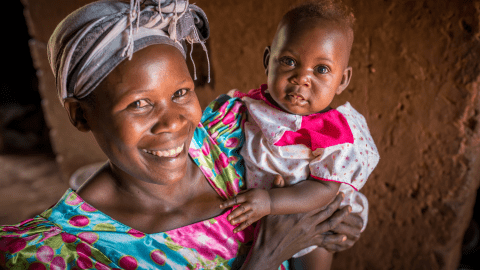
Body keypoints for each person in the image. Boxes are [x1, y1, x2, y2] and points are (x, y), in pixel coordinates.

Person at [0, 0, 365, 269]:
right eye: (140, 104)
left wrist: (330, 226)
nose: (172, 123)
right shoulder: (69, 252)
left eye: (181, 93)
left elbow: (315, 199)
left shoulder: (234, 140)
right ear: (81, 115)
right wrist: (266, 257)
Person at [220, 0, 379, 268]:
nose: (301, 78)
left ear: (342, 80)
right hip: (259, 217)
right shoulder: (246, 107)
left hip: (311, 216)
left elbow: (325, 190)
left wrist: (270, 201)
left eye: (322, 69)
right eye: (289, 61)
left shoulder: (335, 134)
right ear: (268, 62)